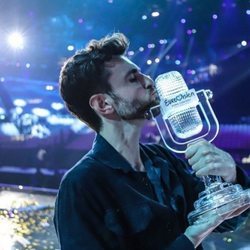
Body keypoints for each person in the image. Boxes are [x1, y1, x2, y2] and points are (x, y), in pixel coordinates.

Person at [54, 33, 249, 250]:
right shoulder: (81, 184)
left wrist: (230, 176)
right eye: (132, 78)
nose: (148, 81)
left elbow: (228, 219)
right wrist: (191, 237)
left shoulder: (161, 158)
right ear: (103, 104)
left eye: (142, 74)